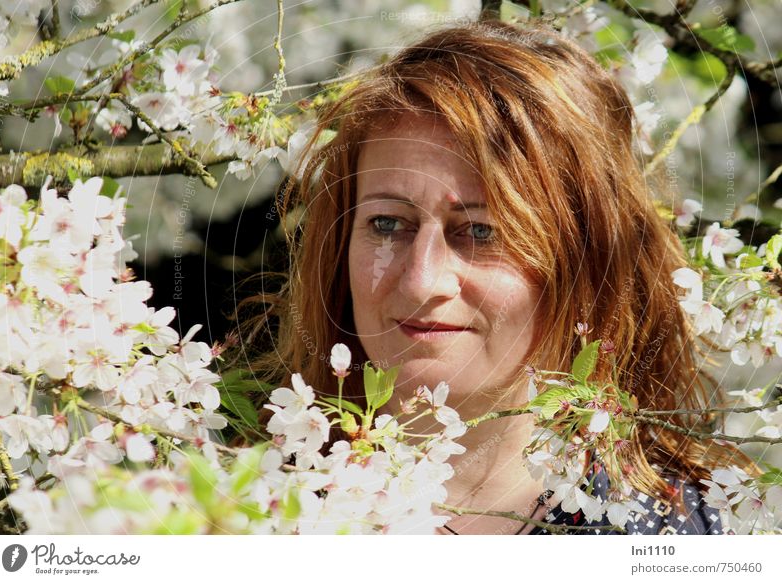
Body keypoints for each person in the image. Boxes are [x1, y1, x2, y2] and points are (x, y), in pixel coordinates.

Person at [235, 19, 757, 534]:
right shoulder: (233, 512)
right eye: (388, 224)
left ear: (588, 262)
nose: (421, 282)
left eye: (482, 232)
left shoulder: (697, 533)